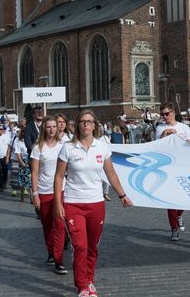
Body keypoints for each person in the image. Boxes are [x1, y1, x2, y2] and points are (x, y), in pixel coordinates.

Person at [54, 109, 133, 297]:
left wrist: (122, 195)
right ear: (78, 125)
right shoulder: (68, 147)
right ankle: (82, 285)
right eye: (82, 121)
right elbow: (58, 177)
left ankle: (90, 280)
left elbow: (111, 173)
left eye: (89, 121)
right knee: (80, 245)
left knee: (92, 246)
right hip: (74, 203)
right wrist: (58, 202)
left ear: (95, 125)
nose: (86, 125)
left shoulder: (102, 147)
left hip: (96, 203)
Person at [30, 116, 67, 274]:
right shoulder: (38, 148)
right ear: (44, 128)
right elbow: (34, 172)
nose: (52, 130)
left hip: (61, 191)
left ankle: (59, 260)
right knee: (47, 226)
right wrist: (35, 194)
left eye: (54, 126)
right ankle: (51, 252)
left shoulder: (64, 146)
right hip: (44, 192)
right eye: (48, 127)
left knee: (59, 225)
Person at [155, 102, 190, 241]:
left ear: (173, 112)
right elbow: (157, 146)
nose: (165, 117)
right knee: (171, 200)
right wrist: (165, 133)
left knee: (186, 197)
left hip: (182, 166)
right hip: (168, 167)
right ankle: (174, 229)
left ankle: (179, 214)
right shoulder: (160, 128)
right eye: (162, 114)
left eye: (167, 114)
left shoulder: (184, 127)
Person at [9, 128, 29, 199]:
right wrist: (21, 161)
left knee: (25, 175)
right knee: (15, 174)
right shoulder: (17, 140)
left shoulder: (29, 140)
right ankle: (14, 189)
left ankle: (25, 189)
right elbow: (17, 152)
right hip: (16, 159)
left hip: (26, 159)